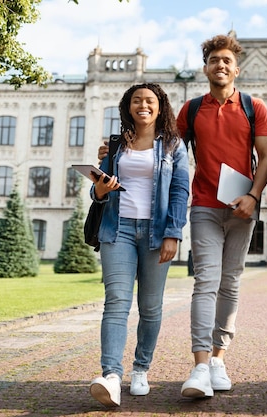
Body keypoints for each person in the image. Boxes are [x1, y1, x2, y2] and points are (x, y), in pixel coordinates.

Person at [176, 34, 267, 398]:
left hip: (242, 207)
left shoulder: (253, 106)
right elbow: (167, 150)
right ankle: (200, 365)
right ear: (206, 67)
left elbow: (265, 158)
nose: (220, 65)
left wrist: (253, 195)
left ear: (236, 68)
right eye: (214, 60)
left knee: (230, 283)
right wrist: (119, 144)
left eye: (226, 60)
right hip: (204, 205)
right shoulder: (190, 109)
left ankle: (218, 358)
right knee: (206, 282)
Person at [88, 83, 190, 407]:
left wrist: (173, 233)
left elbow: (179, 191)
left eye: (149, 100)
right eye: (136, 100)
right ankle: (112, 376)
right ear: (128, 106)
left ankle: (141, 368)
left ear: (160, 106)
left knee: (150, 307)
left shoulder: (174, 145)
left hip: (157, 233)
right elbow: (97, 191)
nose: (142, 105)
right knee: (116, 300)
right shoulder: (116, 145)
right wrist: (101, 189)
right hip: (117, 230)